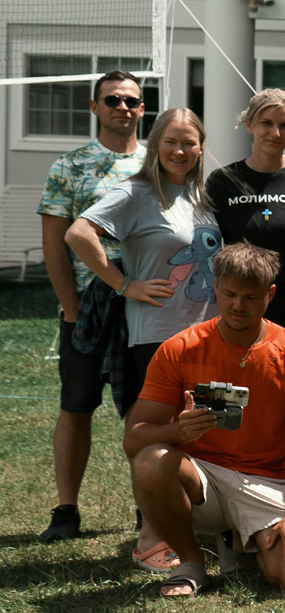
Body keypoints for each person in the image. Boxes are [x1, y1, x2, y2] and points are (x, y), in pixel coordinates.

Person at [123, 243, 285, 598]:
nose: (237, 305)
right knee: (150, 461)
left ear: (270, 294)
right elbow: (134, 440)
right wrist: (177, 430)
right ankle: (191, 562)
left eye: (250, 297)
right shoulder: (179, 348)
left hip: (270, 480)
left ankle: (244, 542)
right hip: (202, 480)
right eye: (230, 293)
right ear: (215, 287)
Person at [38, 69, 147, 542]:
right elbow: (54, 244)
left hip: (146, 307)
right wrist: (70, 306)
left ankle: (150, 509)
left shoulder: (160, 162)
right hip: (89, 308)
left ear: (143, 109)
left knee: (146, 411)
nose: (123, 107)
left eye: (132, 101)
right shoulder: (69, 166)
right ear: (95, 107)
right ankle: (66, 510)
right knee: (76, 406)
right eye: (113, 100)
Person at [66, 108, 222, 423]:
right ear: (154, 146)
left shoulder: (199, 196)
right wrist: (125, 285)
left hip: (208, 336)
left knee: (205, 430)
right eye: (171, 142)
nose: (180, 151)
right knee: (154, 433)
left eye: (189, 143)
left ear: (201, 148)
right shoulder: (136, 192)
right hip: (157, 336)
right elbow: (79, 234)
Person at [206, 89, 285, 346]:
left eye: (284, 126)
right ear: (249, 124)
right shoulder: (223, 182)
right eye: (266, 123)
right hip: (237, 318)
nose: (275, 133)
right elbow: (205, 248)